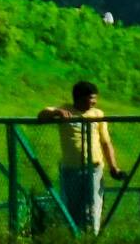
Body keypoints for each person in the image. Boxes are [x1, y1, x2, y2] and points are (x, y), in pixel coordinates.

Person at [41, 80, 121, 234]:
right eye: (91, 98)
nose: (94, 102)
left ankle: (92, 235)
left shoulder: (98, 114)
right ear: (79, 98)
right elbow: (42, 114)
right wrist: (55, 113)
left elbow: (106, 142)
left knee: (93, 204)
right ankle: (74, 236)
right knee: (72, 206)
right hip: (71, 169)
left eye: (95, 98)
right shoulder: (66, 110)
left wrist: (113, 167)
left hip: (94, 168)